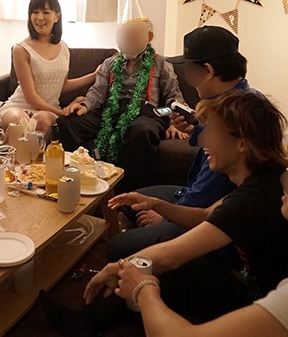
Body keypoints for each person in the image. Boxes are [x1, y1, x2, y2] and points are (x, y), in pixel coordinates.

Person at [47, 93, 288, 335]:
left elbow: (171, 255)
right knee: (174, 262)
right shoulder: (261, 179)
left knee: (176, 261)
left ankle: (102, 321)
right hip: (259, 288)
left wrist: (117, 267)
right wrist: (156, 203)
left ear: (242, 144)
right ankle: (101, 320)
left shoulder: (257, 196)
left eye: (212, 131)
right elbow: (206, 215)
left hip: (270, 310)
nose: (202, 139)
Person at [115, 112, 288, 336]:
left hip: (261, 294)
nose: (286, 178)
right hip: (252, 283)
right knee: (190, 270)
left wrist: (143, 288)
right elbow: (208, 215)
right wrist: (157, 205)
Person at [104, 25, 255, 261]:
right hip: (195, 196)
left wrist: (164, 217)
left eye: (188, 70)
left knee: (116, 247)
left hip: (208, 219)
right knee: (128, 201)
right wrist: (194, 130)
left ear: (207, 71)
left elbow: (207, 195)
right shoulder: (237, 98)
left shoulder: (232, 115)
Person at [58, 0, 187, 193]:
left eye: (134, 35)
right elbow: (98, 91)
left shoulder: (161, 63)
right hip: (110, 110)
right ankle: (79, 178)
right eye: (125, 35)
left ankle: (128, 192)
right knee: (68, 122)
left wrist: (175, 122)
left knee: (141, 131)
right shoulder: (110, 63)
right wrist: (85, 105)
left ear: (149, 36)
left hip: (147, 112)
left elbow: (174, 96)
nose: (128, 40)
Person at [0, 0, 96, 134]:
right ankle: (9, 148)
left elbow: (62, 85)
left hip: (47, 110)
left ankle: (9, 146)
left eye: (45, 12)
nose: (39, 17)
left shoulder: (63, 48)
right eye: (35, 12)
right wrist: (62, 112)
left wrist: (93, 76)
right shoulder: (21, 49)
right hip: (19, 106)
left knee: (41, 121)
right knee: (19, 123)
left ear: (57, 16)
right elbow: (31, 97)